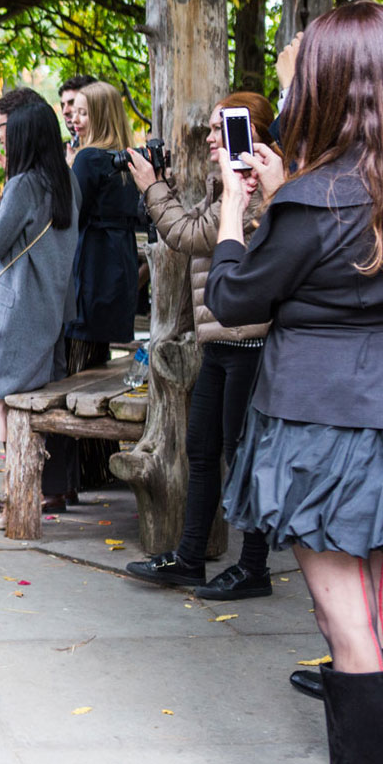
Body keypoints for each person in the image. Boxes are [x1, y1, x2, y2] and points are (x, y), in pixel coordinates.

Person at [207, 0, 383, 764]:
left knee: (348, 622)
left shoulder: (317, 200)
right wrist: (284, 189)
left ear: (334, 83)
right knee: (368, 610)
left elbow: (234, 298)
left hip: (321, 418)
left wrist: (237, 207)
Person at [123, 92, 276, 601]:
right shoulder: (226, 187)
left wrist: (153, 188)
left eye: (221, 127)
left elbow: (189, 234)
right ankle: (190, 559)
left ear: (250, 129)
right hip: (220, 340)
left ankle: (254, 568)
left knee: (242, 456)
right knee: (203, 451)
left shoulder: (254, 190)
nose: (211, 136)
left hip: (251, 342)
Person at [0, 93, 80, 531]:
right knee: (33, 405)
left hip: (16, 311)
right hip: (49, 309)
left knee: (11, 411)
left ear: (25, 136)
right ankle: (49, 490)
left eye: (4, 134)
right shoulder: (65, 178)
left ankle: (21, 499)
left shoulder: (25, 183)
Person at [63, 81, 143, 500]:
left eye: (80, 110)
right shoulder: (128, 160)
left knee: (76, 367)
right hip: (118, 265)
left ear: (97, 113)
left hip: (91, 264)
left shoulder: (90, 158)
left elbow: (69, 213)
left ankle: (76, 470)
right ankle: (97, 463)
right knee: (92, 363)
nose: (74, 118)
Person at [58, 74, 97, 144]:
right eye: (62, 105)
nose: (65, 111)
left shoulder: (113, 150)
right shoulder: (64, 150)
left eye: (72, 103)